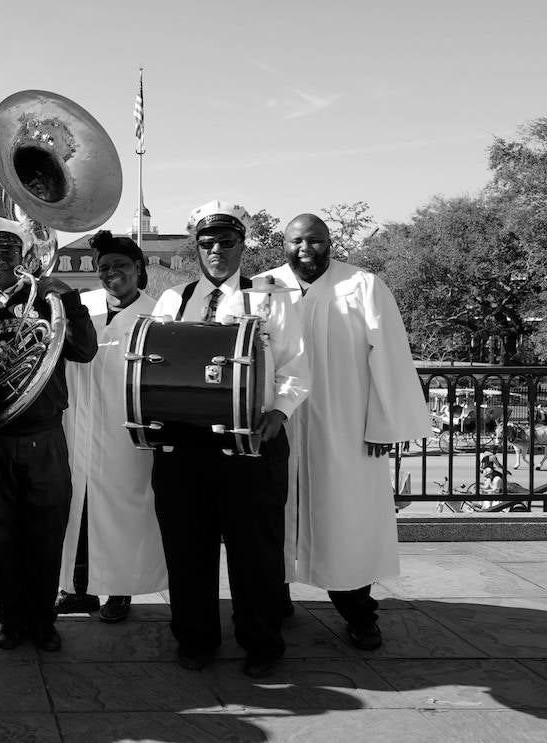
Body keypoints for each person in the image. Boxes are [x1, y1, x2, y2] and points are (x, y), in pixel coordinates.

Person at [149, 200, 309, 679]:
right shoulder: (172, 300)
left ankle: (261, 641)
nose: (216, 250)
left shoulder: (273, 299)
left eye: (226, 242)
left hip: (253, 441)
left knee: (255, 549)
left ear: (243, 245)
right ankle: (195, 639)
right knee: (186, 547)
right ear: (195, 247)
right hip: (185, 442)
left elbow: (296, 368)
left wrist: (278, 413)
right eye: (206, 242)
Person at [260, 214, 428, 650]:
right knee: (272, 517)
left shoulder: (363, 285)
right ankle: (273, 604)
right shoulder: (262, 287)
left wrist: (383, 424)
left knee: (345, 522)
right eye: (297, 241)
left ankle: (359, 614)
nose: (306, 249)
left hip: (345, 425)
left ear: (329, 242)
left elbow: (389, 356)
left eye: (315, 241)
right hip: (277, 423)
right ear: (284, 243)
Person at [0, 217, 98, 653]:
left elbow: (84, 350)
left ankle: (42, 618)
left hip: (44, 438)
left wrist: (67, 298)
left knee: (47, 530)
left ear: (22, 257)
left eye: (7, 253)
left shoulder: (48, 301)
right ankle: (10, 618)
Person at [56, 231, 168, 623]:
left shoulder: (160, 314)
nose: (110, 273)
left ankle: (120, 589)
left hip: (127, 435)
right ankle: (76, 588)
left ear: (138, 268)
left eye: (120, 266)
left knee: (122, 513)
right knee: (78, 510)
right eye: (103, 267)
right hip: (77, 424)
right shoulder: (81, 305)